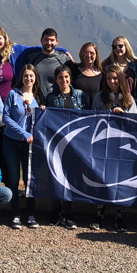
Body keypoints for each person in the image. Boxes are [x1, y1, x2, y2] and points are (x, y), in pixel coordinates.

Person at [90, 65, 137, 232]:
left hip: (122, 147)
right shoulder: (99, 97)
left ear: (121, 80)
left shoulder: (129, 99)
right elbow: (92, 119)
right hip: (103, 146)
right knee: (101, 180)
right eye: (109, 78)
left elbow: (136, 122)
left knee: (121, 181)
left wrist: (123, 114)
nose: (112, 81)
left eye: (115, 78)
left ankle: (120, 217)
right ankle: (99, 216)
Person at [45, 65, 89, 229]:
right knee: (56, 174)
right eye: (60, 77)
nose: (64, 80)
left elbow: (87, 118)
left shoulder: (80, 96)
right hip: (57, 143)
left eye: (66, 77)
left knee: (72, 177)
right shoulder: (50, 97)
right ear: (56, 80)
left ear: (70, 78)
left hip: (76, 143)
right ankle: (56, 209)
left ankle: (67, 211)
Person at [2, 64, 45, 229]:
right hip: (12, 142)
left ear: (35, 78)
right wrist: (24, 134)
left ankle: (31, 214)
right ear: (22, 77)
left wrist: (42, 111)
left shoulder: (38, 97)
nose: (28, 79)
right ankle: (15, 214)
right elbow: (6, 118)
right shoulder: (13, 94)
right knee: (13, 179)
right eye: (26, 76)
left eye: (31, 76)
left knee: (29, 179)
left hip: (29, 145)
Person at [25, 28, 71, 99]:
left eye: (52, 40)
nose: (49, 43)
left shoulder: (64, 59)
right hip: (37, 100)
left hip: (57, 101)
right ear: (41, 40)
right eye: (46, 40)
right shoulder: (32, 58)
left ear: (57, 41)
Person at [67, 42, 103, 107]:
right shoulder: (73, 70)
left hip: (95, 112)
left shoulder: (102, 74)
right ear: (82, 54)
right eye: (86, 53)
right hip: (78, 112)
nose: (89, 55)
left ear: (96, 55)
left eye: (92, 53)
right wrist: (64, 51)